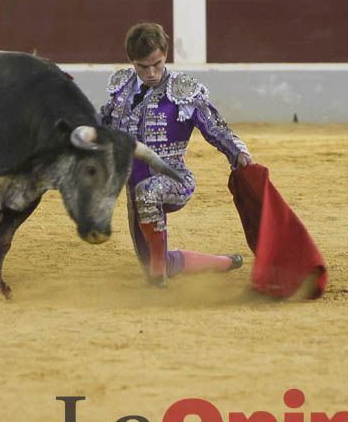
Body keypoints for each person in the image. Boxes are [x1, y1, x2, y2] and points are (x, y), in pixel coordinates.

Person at [99, 21, 250, 287]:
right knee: (152, 259)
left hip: (174, 178)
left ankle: (159, 272)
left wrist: (238, 153)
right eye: (142, 66)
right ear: (132, 62)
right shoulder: (121, 88)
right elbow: (102, 124)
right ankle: (225, 262)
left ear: (165, 55)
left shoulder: (183, 91)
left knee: (148, 193)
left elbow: (215, 127)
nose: (151, 73)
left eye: (156, 64)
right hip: (133, 185)